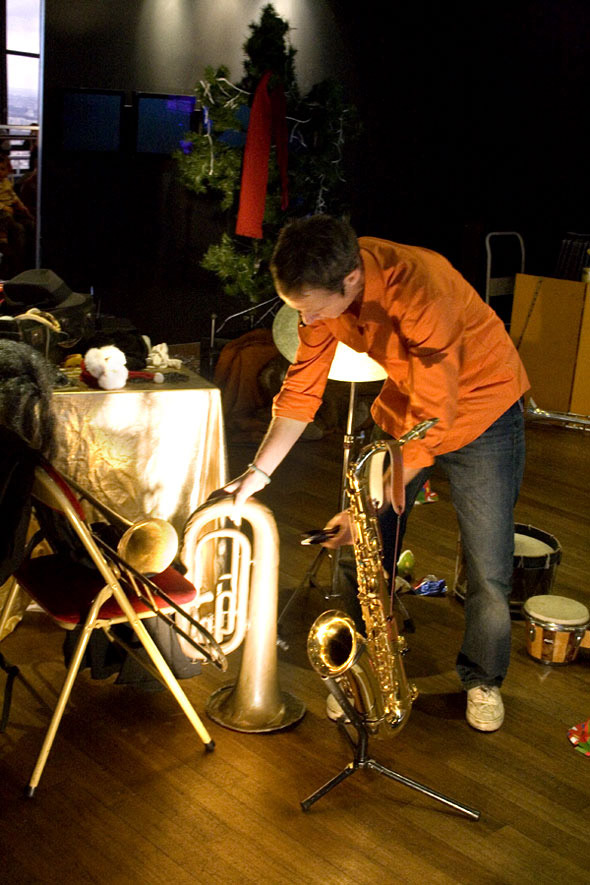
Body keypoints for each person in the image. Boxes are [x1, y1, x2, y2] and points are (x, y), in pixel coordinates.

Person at [221, 214, 529, 732]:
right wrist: (257, 474)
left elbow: (436, 416)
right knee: (362, 549)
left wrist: (365, 502)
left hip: (483, 412)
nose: (307, 319)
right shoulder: (324, 290)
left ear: (350, 281)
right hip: (411, 408)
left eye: (312, 309)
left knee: (488, 569)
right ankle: (360, 668)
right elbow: (300, 391)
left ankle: (482, 679)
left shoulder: (422, 287)